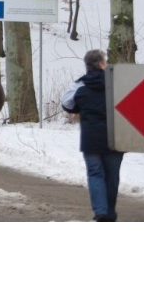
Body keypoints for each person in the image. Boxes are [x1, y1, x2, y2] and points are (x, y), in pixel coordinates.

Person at [62, 49, 124, 221]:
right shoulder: (117, 84)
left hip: (91, 139)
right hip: (115, 137)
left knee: (95, 174)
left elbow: (67, 103)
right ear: (103, 64)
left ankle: (101, 212)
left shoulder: (81, 86)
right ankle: (110, 212)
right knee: (112, 175)